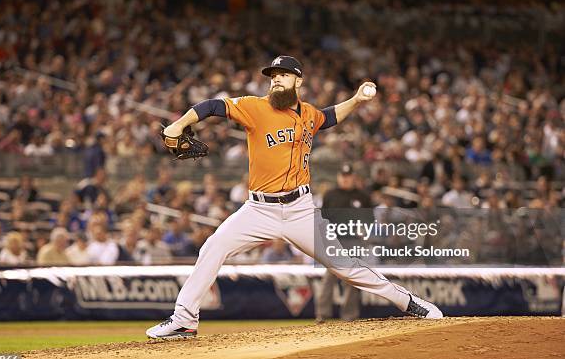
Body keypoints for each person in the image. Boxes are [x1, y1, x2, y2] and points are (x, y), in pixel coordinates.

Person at [146, 56, 442, 340]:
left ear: (298, 81)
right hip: (258, 209)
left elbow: (328, 117)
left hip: (301, 210)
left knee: (345, 267)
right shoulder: (254, 107)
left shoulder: (309, 113)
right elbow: (213, 106)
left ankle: (410, 303)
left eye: (283, 75)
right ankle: (184, 321)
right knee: (213, 247)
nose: (276, 81)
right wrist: (179, 124)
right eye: (273, 77)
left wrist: (357, 100)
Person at [315, 163, 372, 323]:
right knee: (329, 278)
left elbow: (370, 219)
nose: (345, 179)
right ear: (339, 177)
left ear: (353, 177)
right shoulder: (330, 195)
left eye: (348, 176)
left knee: (352, 279)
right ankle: (322, 314)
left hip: (354, 241)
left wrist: (364, 228)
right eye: (343, 176)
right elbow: (322, 219)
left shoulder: (363, 196)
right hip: (334, 241)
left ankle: (349, 316)